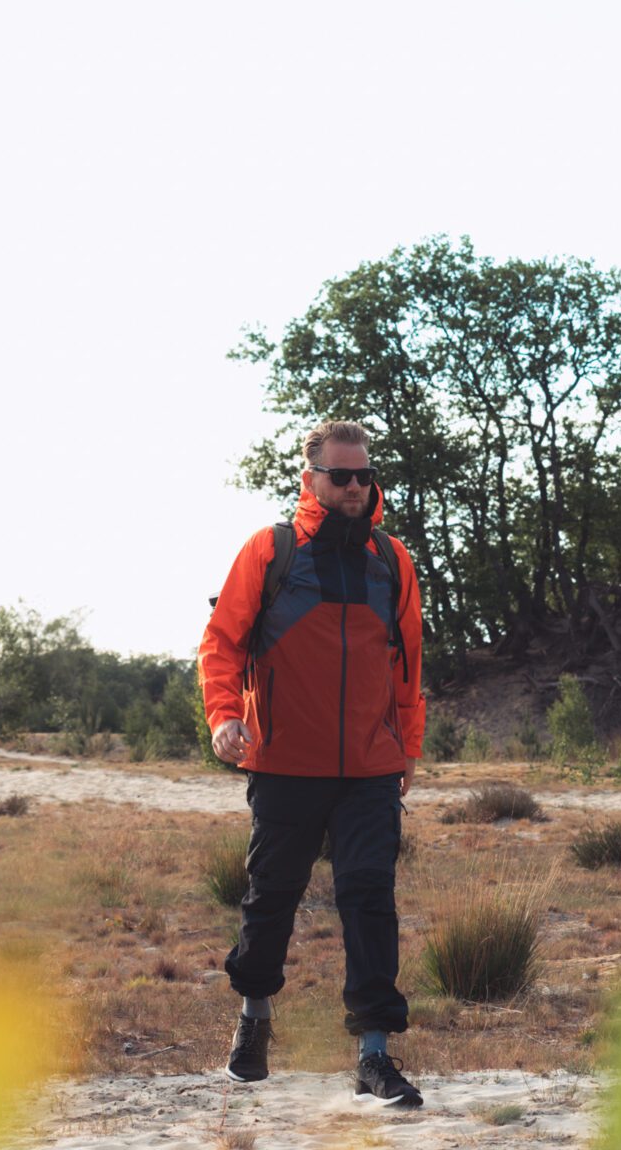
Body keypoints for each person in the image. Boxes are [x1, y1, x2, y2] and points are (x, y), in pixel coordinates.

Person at [199, 419, 427, 1108]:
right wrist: (224, 717)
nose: (355, 486)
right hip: (284, 764)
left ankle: (374, 1054)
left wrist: (406, 750)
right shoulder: (270, 552)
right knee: (272, 897)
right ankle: (254, 1019)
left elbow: (409, 670)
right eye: (341, 476)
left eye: (364, 475)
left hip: (369, 768)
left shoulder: (393, 561)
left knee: (369, 895)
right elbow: (222, 643)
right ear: (312, 479)